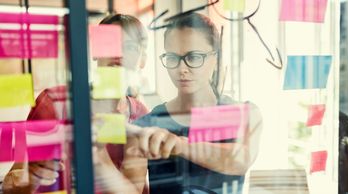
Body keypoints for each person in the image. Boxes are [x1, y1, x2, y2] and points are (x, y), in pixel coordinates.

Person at [2, 14, 149, 194]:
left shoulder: (141, 114)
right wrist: (30, 179)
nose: (119, 54)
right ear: (96, 51)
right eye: (110, 43)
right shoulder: (54, 102)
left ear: (143, 59)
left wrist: (96, 154)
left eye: (130, 47)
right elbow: (13, 184)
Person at [123, 13, 263, 194]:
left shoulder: (246, 114)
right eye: (173, 58)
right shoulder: (147, 125)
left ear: (216, 58)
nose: (182, 69)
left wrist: (180, 145)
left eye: (194, 57)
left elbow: (240, 159)